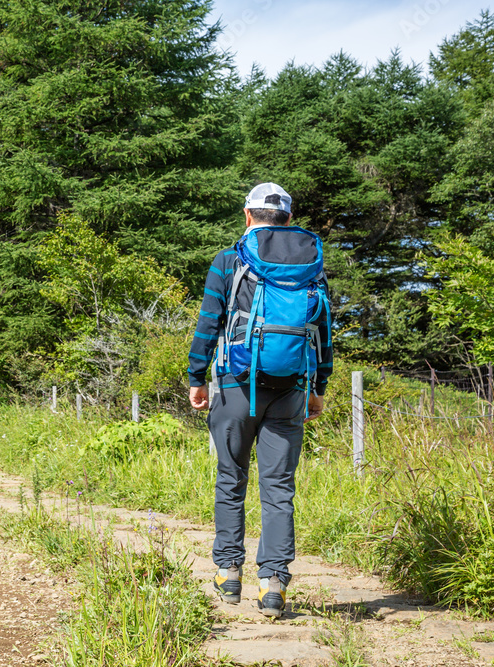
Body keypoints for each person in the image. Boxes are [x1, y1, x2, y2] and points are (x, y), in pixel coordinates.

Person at [187, 182, 332, 618]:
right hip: (290, 389)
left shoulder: (231, 259)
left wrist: (197, 377)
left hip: (235, 384)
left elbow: (209, 321)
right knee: (278, 488)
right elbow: (324, 330)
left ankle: (229, 574)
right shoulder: (310, 263)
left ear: (247, 216)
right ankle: (273, 584)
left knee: (231, 479)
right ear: (289, 218)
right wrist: (318, 387)